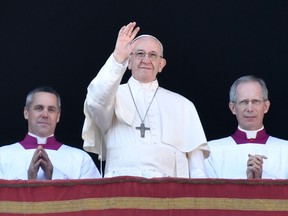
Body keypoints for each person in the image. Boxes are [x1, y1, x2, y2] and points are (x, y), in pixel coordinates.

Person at [81, 21, 209, 178]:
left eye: (153, 55)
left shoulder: (183, 105)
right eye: (139, 54)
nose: (146, 60)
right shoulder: (112, 96)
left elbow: (198, 170)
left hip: (169, 192)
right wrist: (117, 57)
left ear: (161, 64)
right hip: (120, 187)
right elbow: (95, 101)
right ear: (129, 61)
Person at [0, 86, 101, 180]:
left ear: (58, 116)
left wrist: (54, 175)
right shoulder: (3, 155)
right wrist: (28, 178)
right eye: (39, 108)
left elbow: (95, 197)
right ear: (26, 113)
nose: (45, 114)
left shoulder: (81, 159)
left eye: (51, 110)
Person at [205, 75, 288, 179]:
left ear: (266, 107)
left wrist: (260, 182)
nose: (249, 108)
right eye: (243, 102)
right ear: (233, 108)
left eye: (255, 101)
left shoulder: (285, 150)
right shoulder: (211, 151)